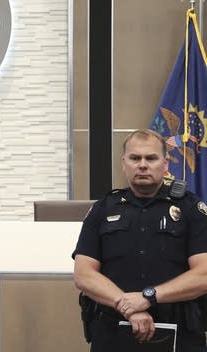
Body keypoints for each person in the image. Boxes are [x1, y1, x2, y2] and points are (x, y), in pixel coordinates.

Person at [73, 129, 207, 352]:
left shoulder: (191, 209)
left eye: (151, 158)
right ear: (123, 163)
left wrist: (149, 297)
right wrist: (129, 306)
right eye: (135, 158)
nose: (142, 165)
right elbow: (83, 274)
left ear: (165, 164)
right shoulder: (103, 209)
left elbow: (203, 274)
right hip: (113, 333)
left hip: (180, 335)